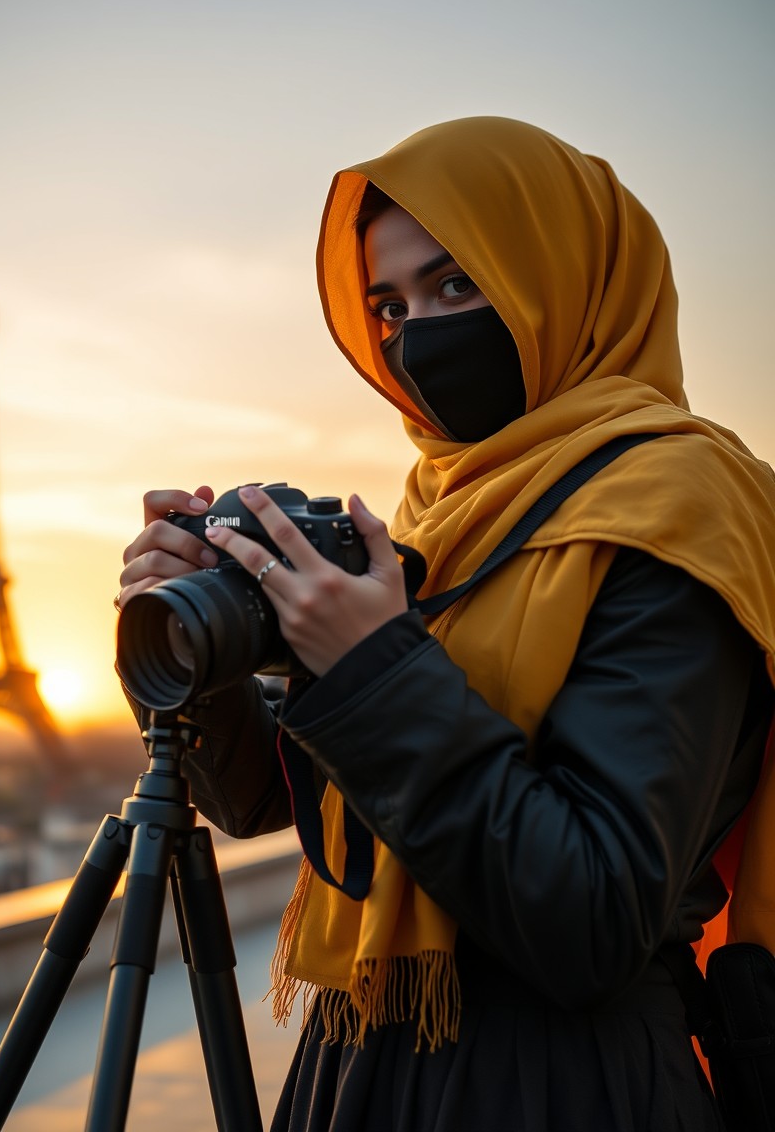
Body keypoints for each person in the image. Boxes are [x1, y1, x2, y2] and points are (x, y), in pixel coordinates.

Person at [117, 117, 775, 1131]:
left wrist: (372, 666)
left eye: (456, 284)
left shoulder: (681, 501)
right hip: (355, 1069)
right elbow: (265, 802)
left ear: (561, 278)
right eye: (387, 304)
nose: (414, 334)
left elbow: (591, 917)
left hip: (559, 1088)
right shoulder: (442, 512)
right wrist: (201, 656)